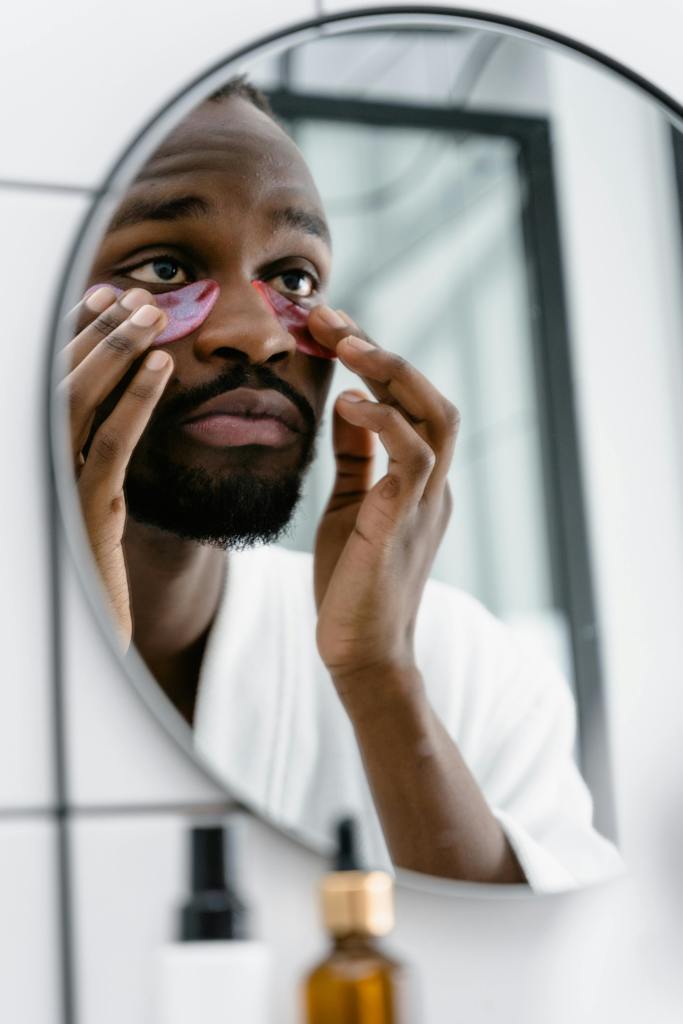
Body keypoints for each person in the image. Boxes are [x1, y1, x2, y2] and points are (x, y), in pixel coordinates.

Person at [61, 75, 622, 891]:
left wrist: (378, 677)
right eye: (164, 265)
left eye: (293, 280)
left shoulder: (459, 661)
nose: (258, 336)